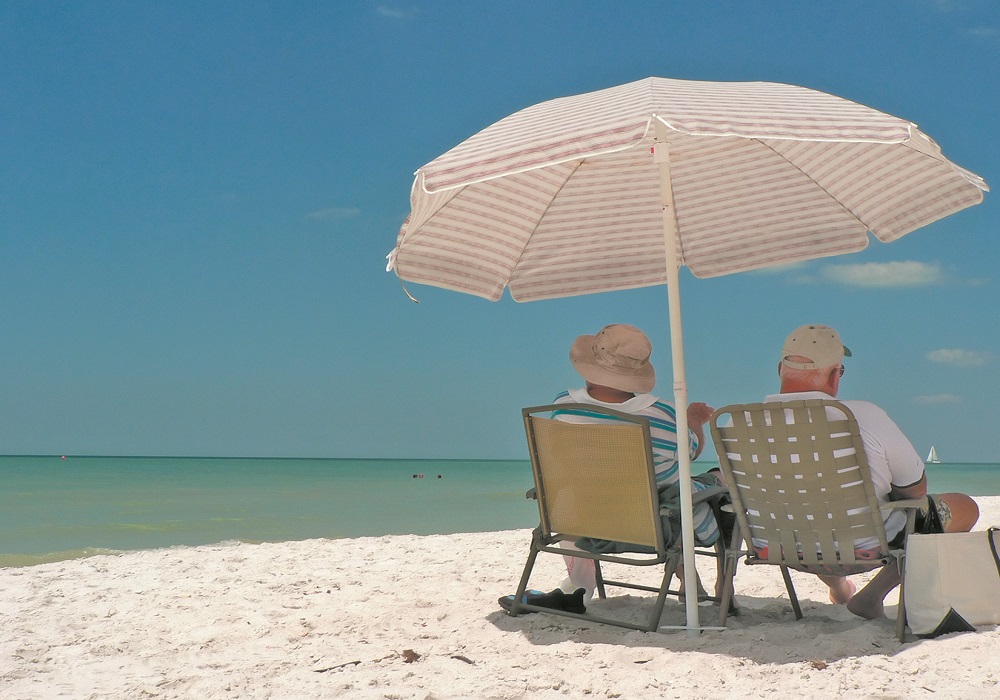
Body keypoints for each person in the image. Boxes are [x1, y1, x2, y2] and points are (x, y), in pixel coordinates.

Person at [500, 324, 720, 615]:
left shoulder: (562, 407)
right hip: (650, 527)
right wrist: (692, 419)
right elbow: (690, 451)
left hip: (580, 521)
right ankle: (702, 584)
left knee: (650, 489)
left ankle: (578, 587)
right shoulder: (663, 415)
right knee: (707, 483)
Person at [768, 324, 979, 620]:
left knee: (812, 515)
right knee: (964, 506)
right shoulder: (863, 416)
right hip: (864, 548)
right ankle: (872, 595)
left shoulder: (735, 425)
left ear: (781, 368)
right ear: (834, 375)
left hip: (784, 547)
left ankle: (840, 588)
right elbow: (915, 490)